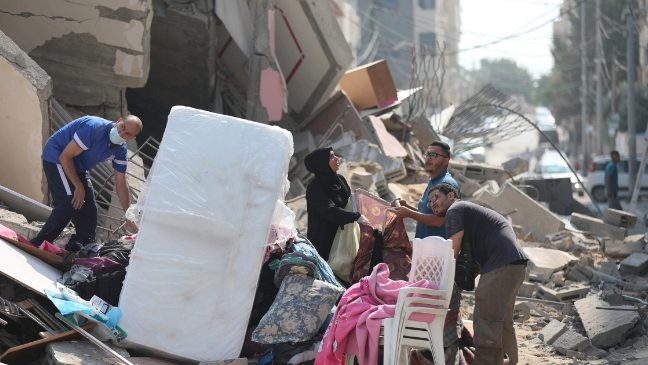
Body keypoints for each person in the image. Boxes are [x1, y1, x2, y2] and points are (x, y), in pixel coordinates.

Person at [429, 183, 528, 365]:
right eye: (429, 202)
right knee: (502, 319)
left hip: (500, 265)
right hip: (515, 265)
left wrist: (438, 280)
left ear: (451, 195)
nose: (432, 204)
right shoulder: (469, 212)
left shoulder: (455, 210)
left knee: (486, 320)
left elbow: (452, 250)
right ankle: (510, 361)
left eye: (436, 197)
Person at [30, 115, 143, 250]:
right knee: (69, 203)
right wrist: (79, 186)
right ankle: (37, 244)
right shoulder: (94, 128)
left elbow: (121, 183)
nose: (122, 133)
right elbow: (65, 157)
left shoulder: (120, 149)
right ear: (118, 120)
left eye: (127, 134)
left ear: (131, 138)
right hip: (57, 158)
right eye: (122, 127)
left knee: (89, 213)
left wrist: (128, 215)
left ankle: (77, 249)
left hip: (78, 168)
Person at [304, 147, 367, 261]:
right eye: (331, 156)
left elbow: (349, 199)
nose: (337, 158)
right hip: (325, 241)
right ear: (321, 163)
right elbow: (330, 211)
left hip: (343, 235)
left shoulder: (339, 179)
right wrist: (356, 217)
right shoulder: (315, 188)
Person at [391, 141, 460, 238]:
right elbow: (427, 213)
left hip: (437, 249)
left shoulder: (446, 184)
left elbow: (438, 221)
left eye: (433, 155)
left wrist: (408, 213)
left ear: (446, 160)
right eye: (427, 154)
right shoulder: (433, 182)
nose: (428, 158)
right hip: (425, 247)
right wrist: (407, 207)